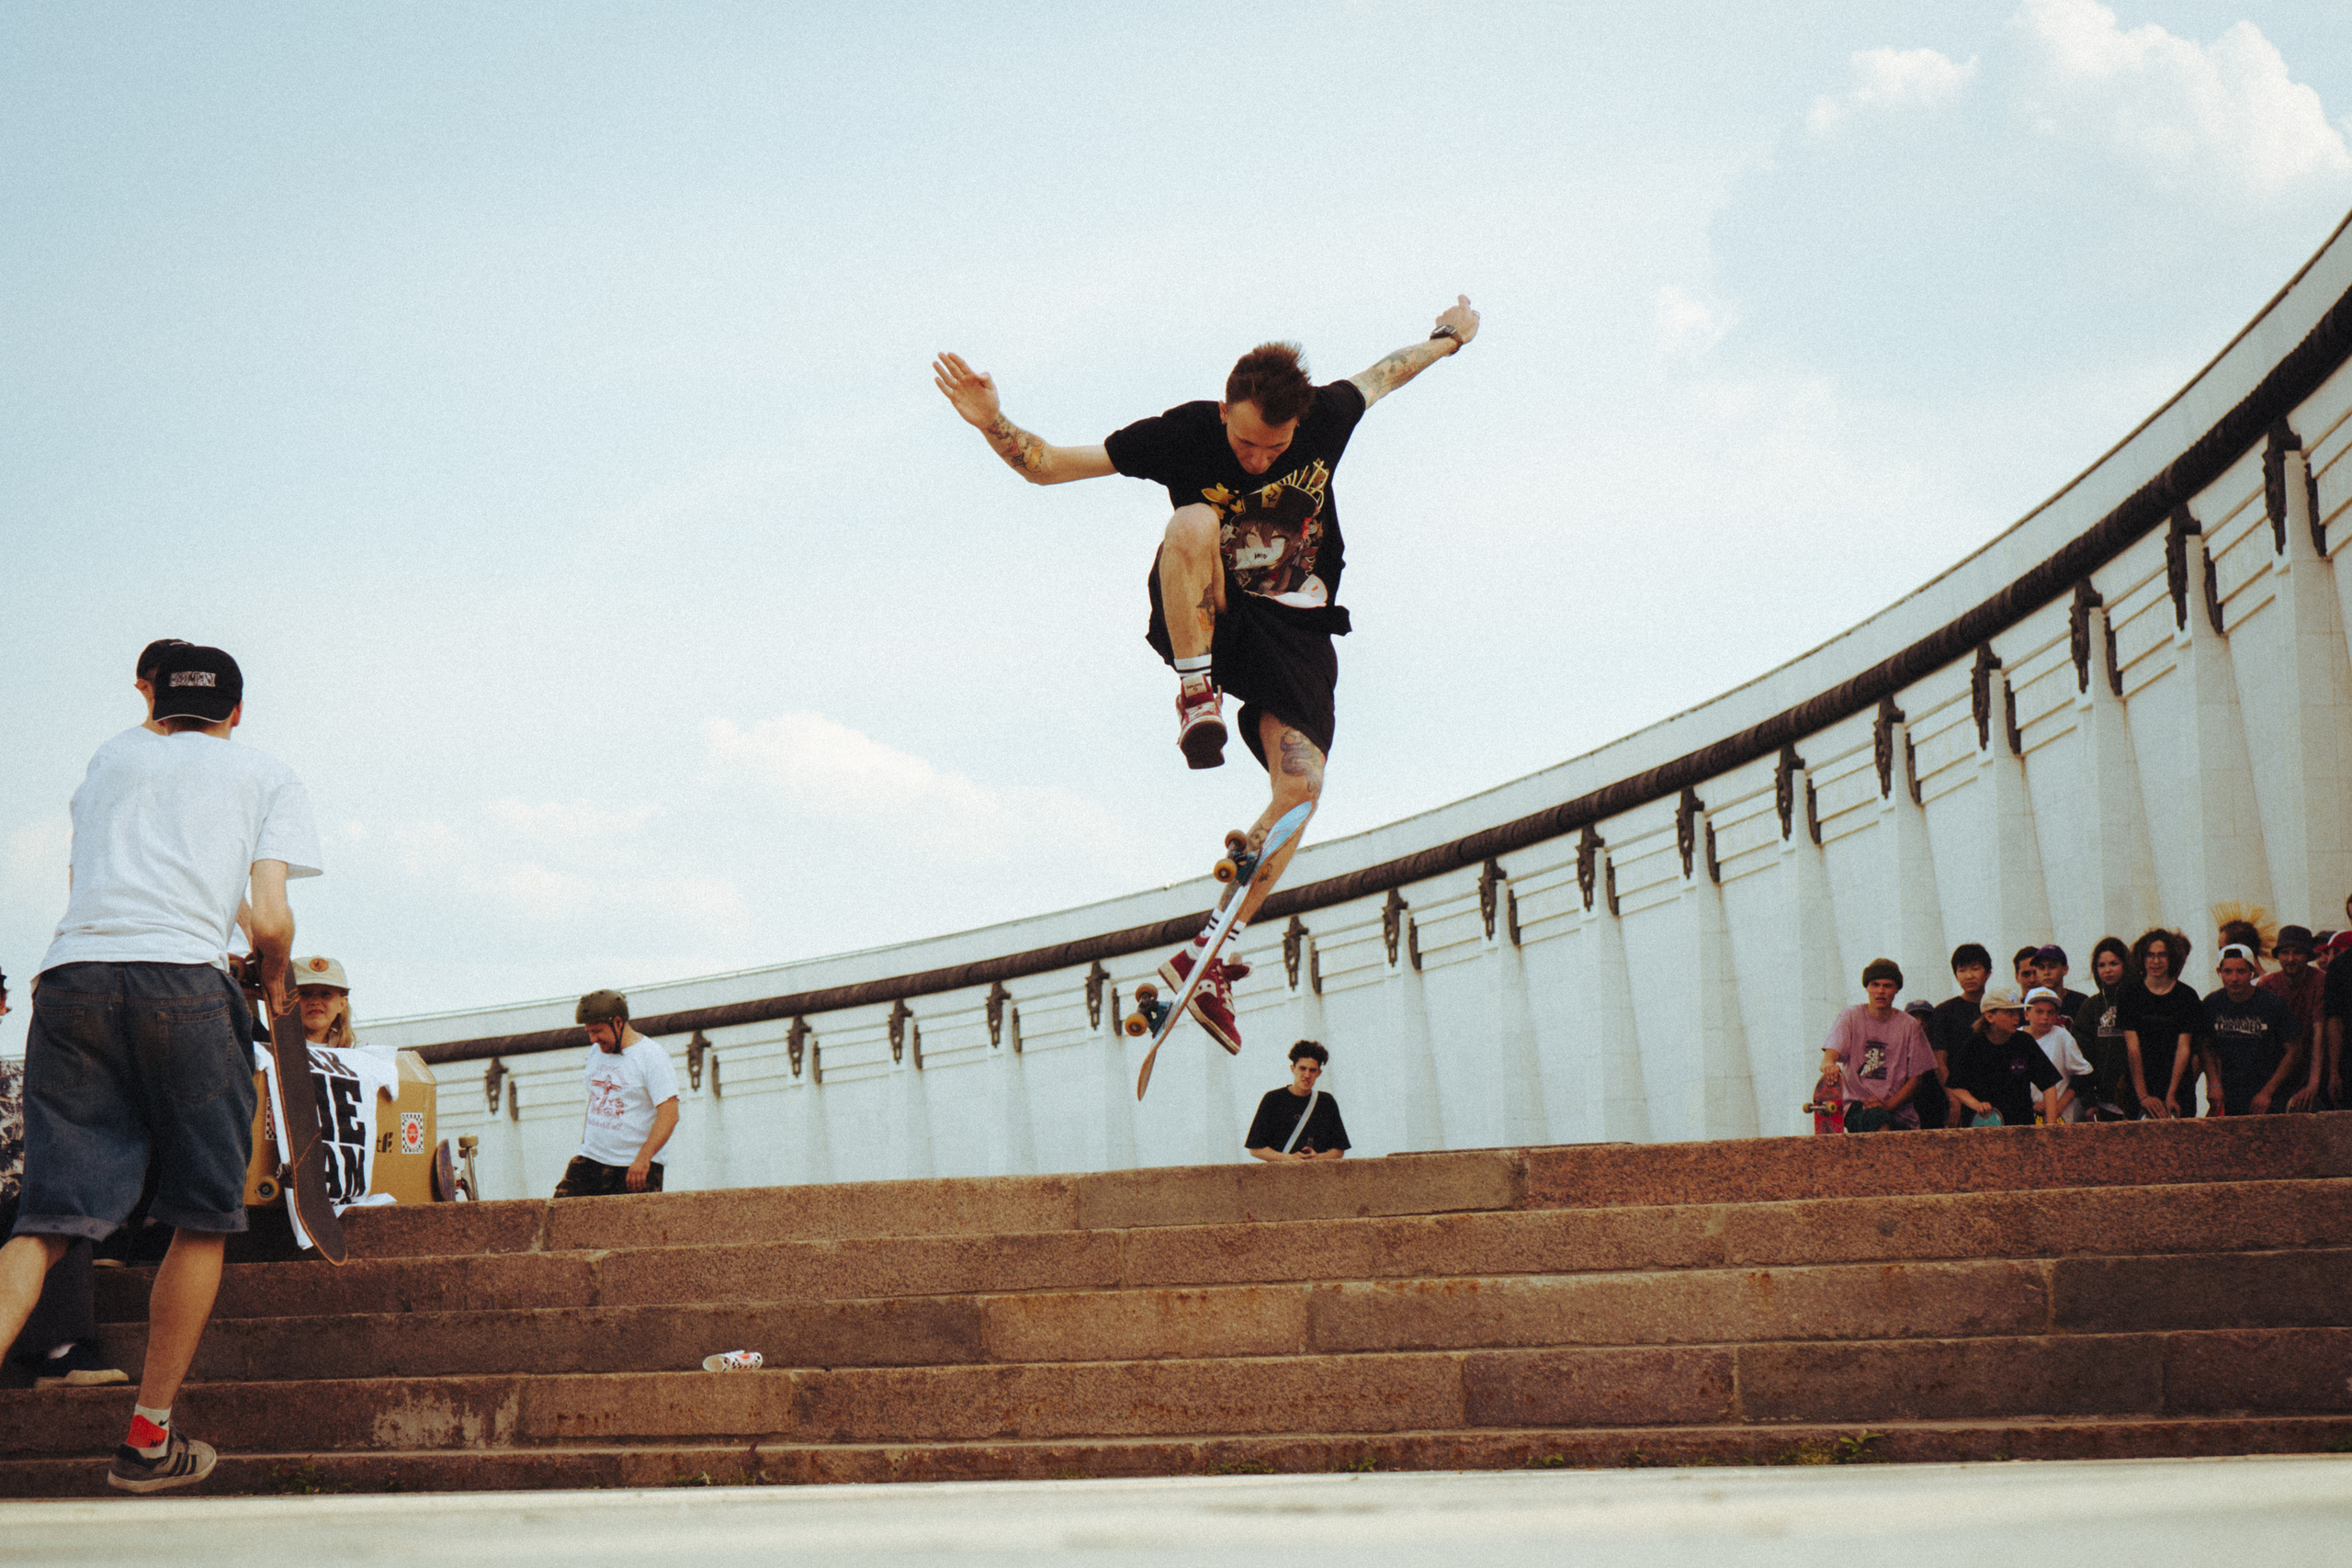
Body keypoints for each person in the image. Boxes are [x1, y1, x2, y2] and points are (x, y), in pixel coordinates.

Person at [933, 298, 1481, 1054]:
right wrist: (993, 421)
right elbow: (1051, 466)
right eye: (1248, 442)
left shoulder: (1326, 416)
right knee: (1191, 521)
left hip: (1297, 628)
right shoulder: (1185, 432)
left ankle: (1213, 953)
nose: (1258, 458)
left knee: (1304, 790)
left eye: (1275, 447)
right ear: (1225, 411)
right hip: (1211, 614)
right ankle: (1196, 692)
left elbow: (1388, 373)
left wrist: (1449, 339)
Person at [0, 643, 319, 1493]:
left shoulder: (110, 759)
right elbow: (274, 919)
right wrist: (272, 975)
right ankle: (147, 1440)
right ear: (236, 713)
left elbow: (98, 875)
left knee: (46, 1221)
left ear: (153, 700)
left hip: (70, 980)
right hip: (184, 981)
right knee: (203, 1214)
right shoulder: (265, 774)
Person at [553, 990, 679, 1198]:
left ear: (618, 1023)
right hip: (591, 1159)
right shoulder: (597, 1052)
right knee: (556, 1220)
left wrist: (643, 1159)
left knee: (632, 1230)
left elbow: (669, 1114)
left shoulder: (651, 1056)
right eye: (589, 1032)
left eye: (598, 1031)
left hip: (635, 1166)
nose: (593, 1039)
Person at [1816, 960, 1937, 1132]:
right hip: (1859, 1106)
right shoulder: (1851, 1016)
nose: (1881, 991)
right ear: (1867, 987)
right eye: (1875, 985)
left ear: (1896, 989)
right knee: (1879, 1122)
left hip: (1898, 1110)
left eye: (1888, 986)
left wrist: (1887, 1105)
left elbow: (1916, 1079)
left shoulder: (1910, 1025)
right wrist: (1829, 1066)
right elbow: (1829, 1055)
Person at [1947, 984, 2064, 1129]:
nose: (2016, 1018)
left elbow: (2049, 1086)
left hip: (2022, 1127)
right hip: (1983, 1128)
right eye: (2010, 1013)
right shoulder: (1973, 1045)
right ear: (1990, 1016)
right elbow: (1956, 1086)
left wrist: (2050, 1126)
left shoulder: (2025, 1042)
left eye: (2017, 1012)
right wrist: (1976, 1105)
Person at [2118, 928, 2206, 1119]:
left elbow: (2184, 1049)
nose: (2155, 961)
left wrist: (2171, 1095)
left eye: (2162, 955)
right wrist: (2144, 1097)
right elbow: (2133, 1048)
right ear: (2142, 958)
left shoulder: (2187, 996)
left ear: (2172, 958)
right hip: (2141, 1085)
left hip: (2178, 1086)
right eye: (2150, 955)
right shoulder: (2129, 995)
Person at [2202, 944, 2297, 1116]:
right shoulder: (2212, 1003)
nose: (2234, 978)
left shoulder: (2273, 1005)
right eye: (2228, 972)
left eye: (2241, 971)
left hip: (2267, 1097)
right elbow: (2205, 1046)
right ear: (2219, 972)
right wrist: (2214, 1083)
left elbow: (2294, 1050)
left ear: (2252, 972)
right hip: (2229, 1095)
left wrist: (2268, 1092)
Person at [1924, 943, 1995, 1129]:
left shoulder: (1998, 1010)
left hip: (1992, 1095)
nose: (1969, 975)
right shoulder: (1944, 1012)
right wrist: (1954, 1098)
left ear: (1988, 972)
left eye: (1975, 969)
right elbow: (1939, 1060)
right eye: (1962, 970)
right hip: (1955, 1098)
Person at [1244, 1041, 1350, 1161]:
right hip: (1280, 1176)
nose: (1307, 1075)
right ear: (1293, 1068)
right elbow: (1255, 1148)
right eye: (1302, 1068)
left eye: (1312, 1070)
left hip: (1318, 1175)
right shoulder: (1273, 1099)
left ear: (1319, 1073)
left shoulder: (1326, 1102)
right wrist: (1289, 1159)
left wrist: (1318, 1158)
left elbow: (1339, 1149)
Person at [2072, 936, 2135, 1120]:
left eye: (2113, 963)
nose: (2107, 970)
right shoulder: (2091, 1006)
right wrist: (2088, 1100)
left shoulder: (2140, 1000)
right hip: (2103, 1104)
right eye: (2102, 965)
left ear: (2125, 964)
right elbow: (2080, 1057)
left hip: (2138, 1099)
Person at [2267, 927, 2330, 1111]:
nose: (2290, 959)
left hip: (2315, 1064)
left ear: (2308, 956)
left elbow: (2319, 1032)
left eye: (2297, 953)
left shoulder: (2320, 981)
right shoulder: (2268, 984)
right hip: (2279, 1068)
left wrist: (2313, 1084)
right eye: (2285, 952)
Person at [2022, 987, 2094, 1122]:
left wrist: (2058, 1106)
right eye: (2039, 1012)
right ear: (2026, 1014)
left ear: (2057, 1015)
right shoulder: (2017, 1037)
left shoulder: (2062, 1036)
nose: (2045, 1017)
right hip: (2026, 1112)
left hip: (2062, 1112)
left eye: (2050, 1012)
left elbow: (2083, 1075)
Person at [1902, 999, 1950, 1132]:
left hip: (1937, 1106)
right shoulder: (1900, 1047)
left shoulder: (1941, 1049)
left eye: (1925, 1018)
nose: (1920, 1021)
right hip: (1909, 1109)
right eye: (1914, 1017)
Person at [2030, 944, 2089, 1022]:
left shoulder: (2081, 1002)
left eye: (2052, 967)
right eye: (2041, 968)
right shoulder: (2030, 1003)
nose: (2046, 972)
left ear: (2065, 969)